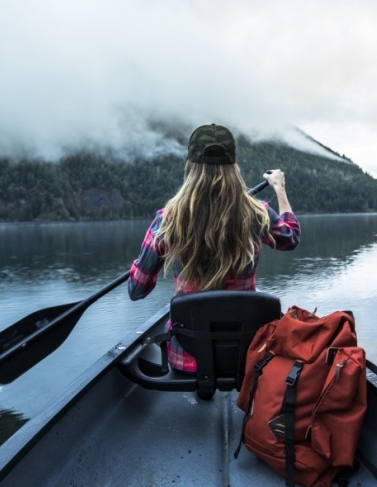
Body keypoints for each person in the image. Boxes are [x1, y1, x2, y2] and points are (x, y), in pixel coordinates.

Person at [128, 123, 300, 373]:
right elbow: (291, 237)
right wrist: (279, 190)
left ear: (190, 165)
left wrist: (152, 255)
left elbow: (136, 290)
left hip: (187, 358)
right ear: (233, 167)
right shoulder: (256, 213)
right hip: (248, 356)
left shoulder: (167, 220)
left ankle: (204, 384)